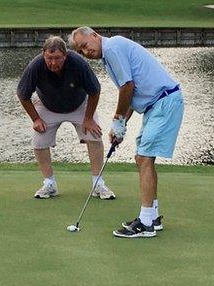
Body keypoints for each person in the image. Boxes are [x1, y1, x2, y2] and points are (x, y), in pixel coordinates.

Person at [69, 27, 184, 238]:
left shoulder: (112, 48)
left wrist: (117, 121)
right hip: (156, 106)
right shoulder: (111, 53)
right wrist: (121, 126)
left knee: (143, 158)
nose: (86, 52)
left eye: (85, 45)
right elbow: (131, 92)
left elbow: (127, 87)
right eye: (80, 51)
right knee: (143, 158)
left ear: (94, 36)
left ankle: (146, 223)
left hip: (164, 102)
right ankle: (153, 217)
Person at [17, 36, 115, 200]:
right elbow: (23, 94)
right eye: (49, 58)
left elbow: (95, 90)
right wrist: (35, 119)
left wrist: (89, 118)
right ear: (43, 55)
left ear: (65, 56)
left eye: (57, 58)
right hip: (47, 105)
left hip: (79, 104)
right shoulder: (36, 65)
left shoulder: (78, 63)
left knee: (94, 136)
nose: (53, 63)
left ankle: (98, 184)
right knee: (39, 141)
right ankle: (49, 184)